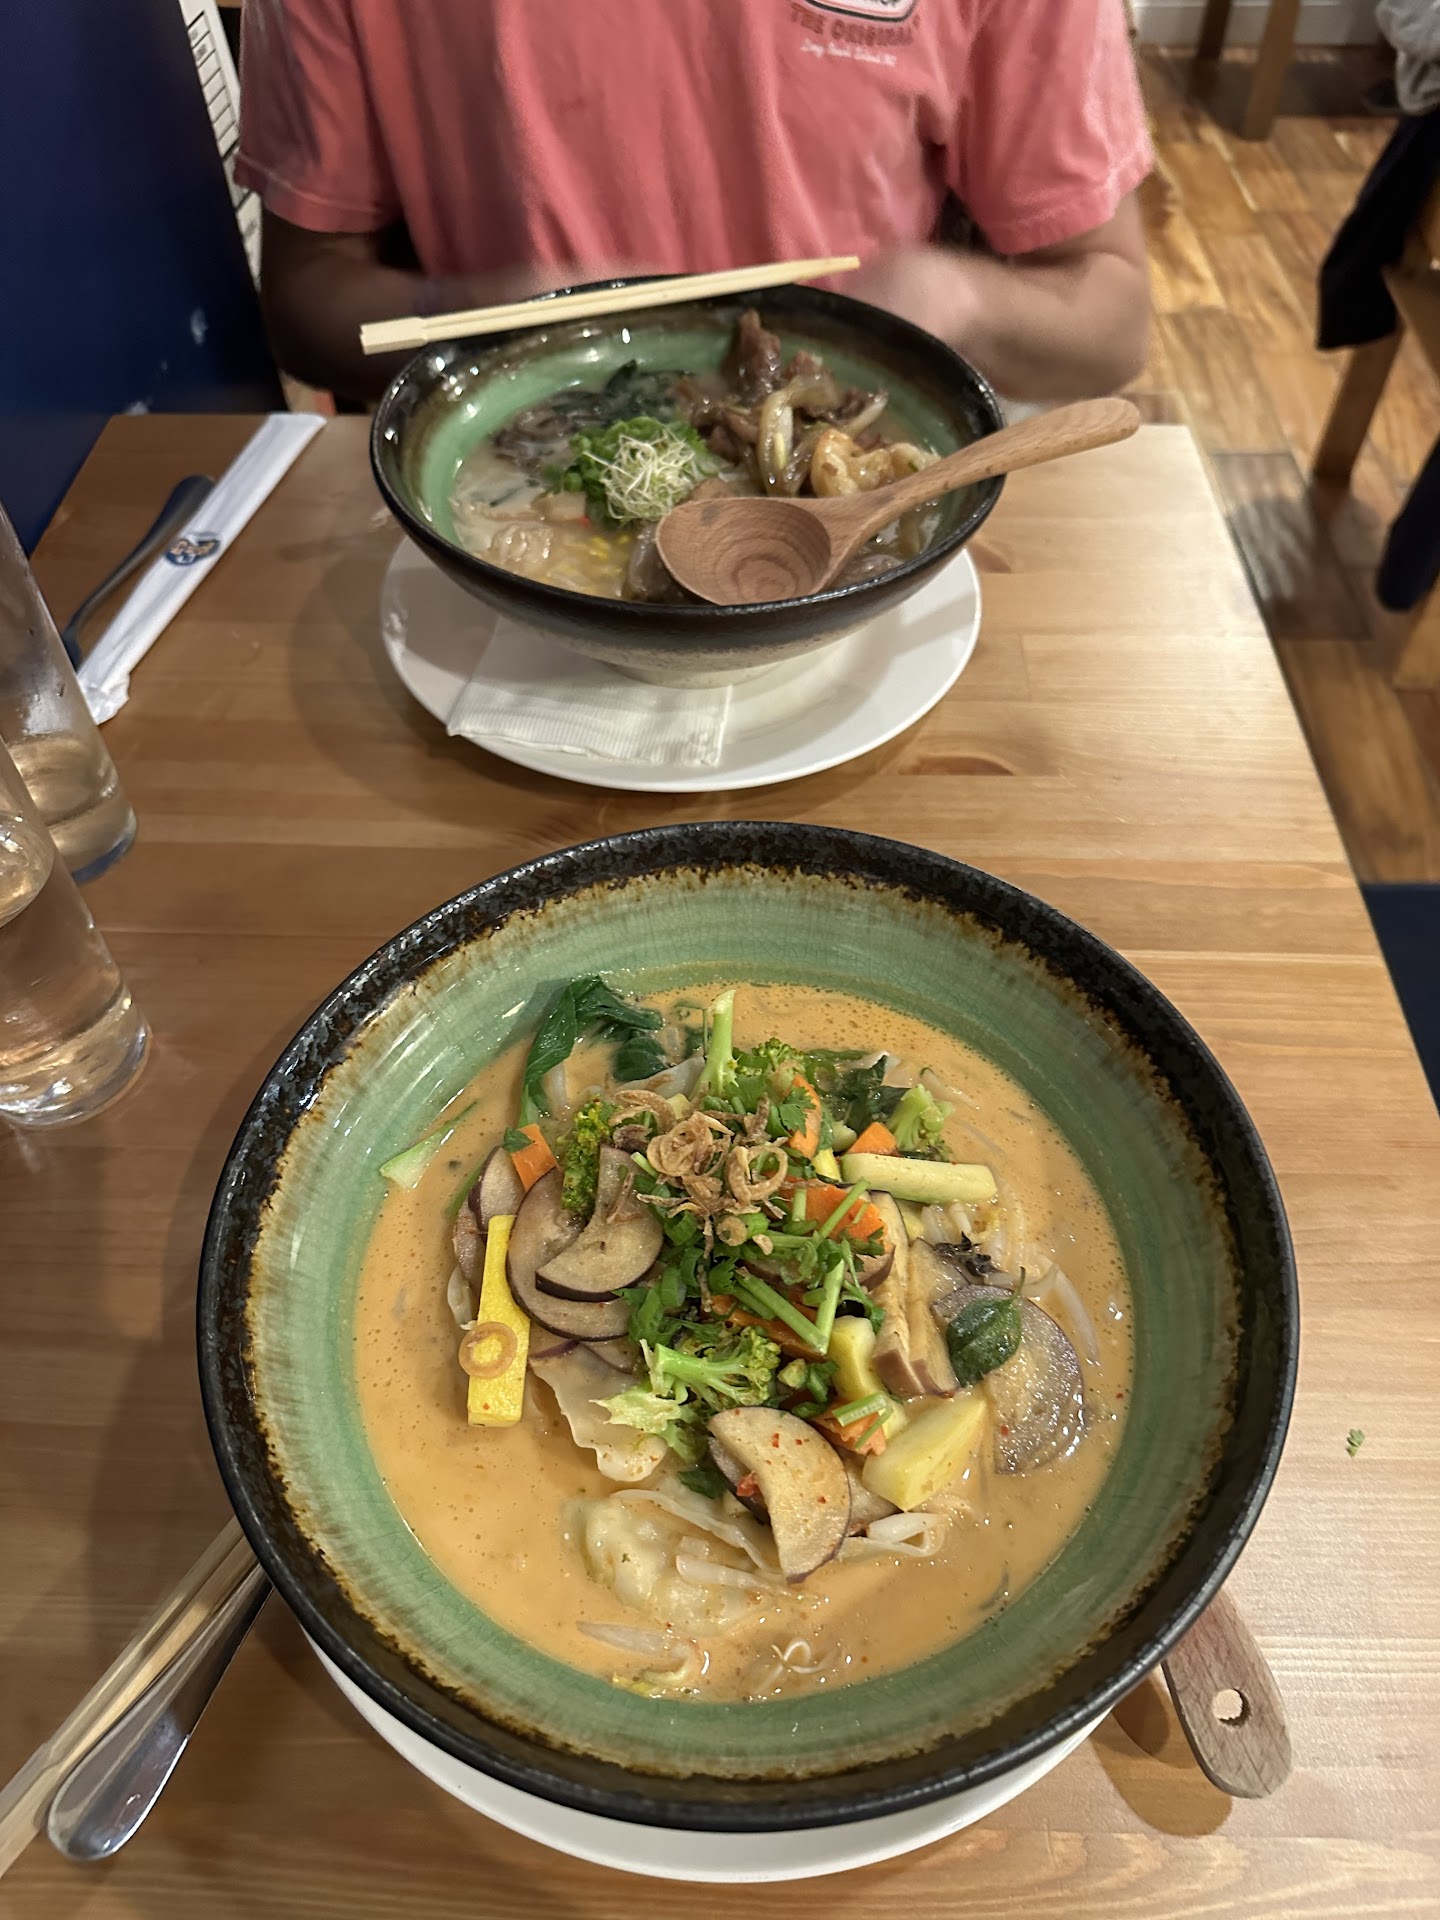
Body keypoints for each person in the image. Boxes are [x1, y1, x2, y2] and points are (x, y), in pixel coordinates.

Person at [235, 0, 1152, 406]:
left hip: (854, 493)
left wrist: (957, 302)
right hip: (509, 493)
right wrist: (474, 319)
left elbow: (1110, 317)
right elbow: (307, 299)